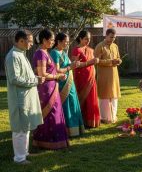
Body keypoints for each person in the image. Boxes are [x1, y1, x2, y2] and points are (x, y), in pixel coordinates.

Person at [5, 30, 45, 164]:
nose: (32, 44)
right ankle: (19, 158)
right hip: (19, 99)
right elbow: (14, 79)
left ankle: (24, 153)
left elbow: (25, 75)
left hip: (26, 98)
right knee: (20, 129)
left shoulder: (21, 54)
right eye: (30, 41)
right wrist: (35, 81)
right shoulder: (13, 56)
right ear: (21, 41)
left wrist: (35, 78)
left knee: (26, 126)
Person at [32, 28, 69, 149]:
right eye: (51, 40)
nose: (53, 42)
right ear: (44, 40)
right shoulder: (41, 53)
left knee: (55, 113)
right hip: (46, 89)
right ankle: (46, 141)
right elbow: (42, 74)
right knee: (50, 114)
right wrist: (57, 76)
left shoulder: (45, 52)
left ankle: (55, 140)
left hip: (52, 86)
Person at [50, 32, 84, 137]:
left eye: (68, 42)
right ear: (59, 41)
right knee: (65, 106)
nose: (67, 44)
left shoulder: (63, 52)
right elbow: (57, 70)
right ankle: (65, 129)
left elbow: (68, 65)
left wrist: (75, 63)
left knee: (73, 104)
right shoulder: (54, 53)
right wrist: (70, 67)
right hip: (61, 83)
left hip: (69, 82)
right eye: (66, 42)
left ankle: (75, 129)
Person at [72, 30, 100, 128]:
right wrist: (90, 62)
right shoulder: (76, 50)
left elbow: (91, 63)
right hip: (81, 78)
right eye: (86, 39)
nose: (88, 41)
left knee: (91, 99)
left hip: (91, 78)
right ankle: (82, 121)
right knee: (83, 99)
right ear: (80, 38)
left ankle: (91, 121)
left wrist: (95, 62)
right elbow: (75, 65)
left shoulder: (91, 50)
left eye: (89, 39)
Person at [94, 29, 122, 124]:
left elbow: (118, 57)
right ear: (106, 35)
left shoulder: (115, 46)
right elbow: (96, 61)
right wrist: (110, 61)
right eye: (111, 37)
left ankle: (113, 116)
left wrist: (118, 61)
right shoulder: (100, 46)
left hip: (114, 75)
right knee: (104, 97)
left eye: (114, 37)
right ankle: (104, 118)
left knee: (114, 96)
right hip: (104, 75)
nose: (112, 39)